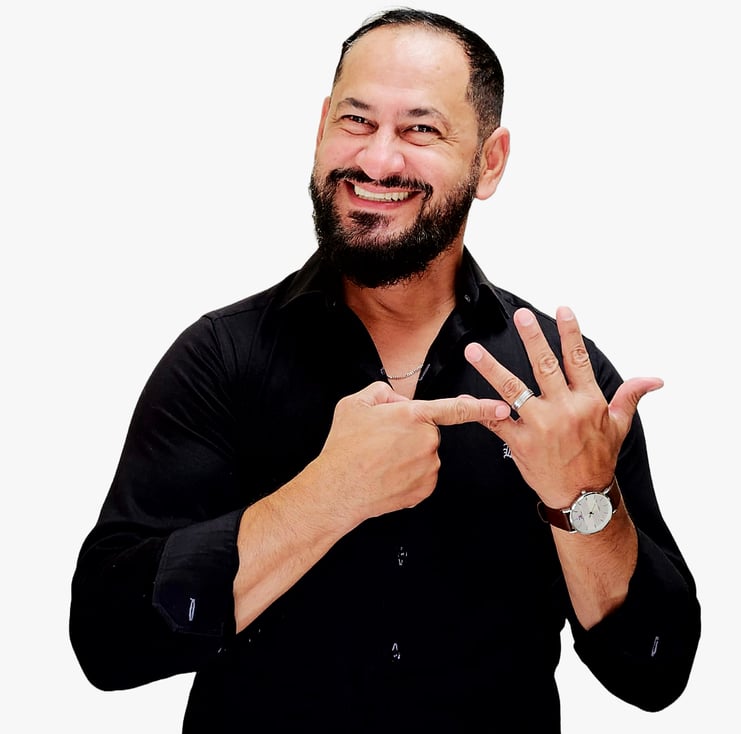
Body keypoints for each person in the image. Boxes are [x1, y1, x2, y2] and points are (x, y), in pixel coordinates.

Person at [69, 7, 701, 732]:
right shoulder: (219, 358)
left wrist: (583, 502)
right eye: (356, 121)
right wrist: (325, 498)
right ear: (321, 128)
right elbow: (108, 643)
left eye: (420, 130)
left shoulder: (561, 385)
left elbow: (655, 674)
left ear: (489, 162)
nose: (376, 161)